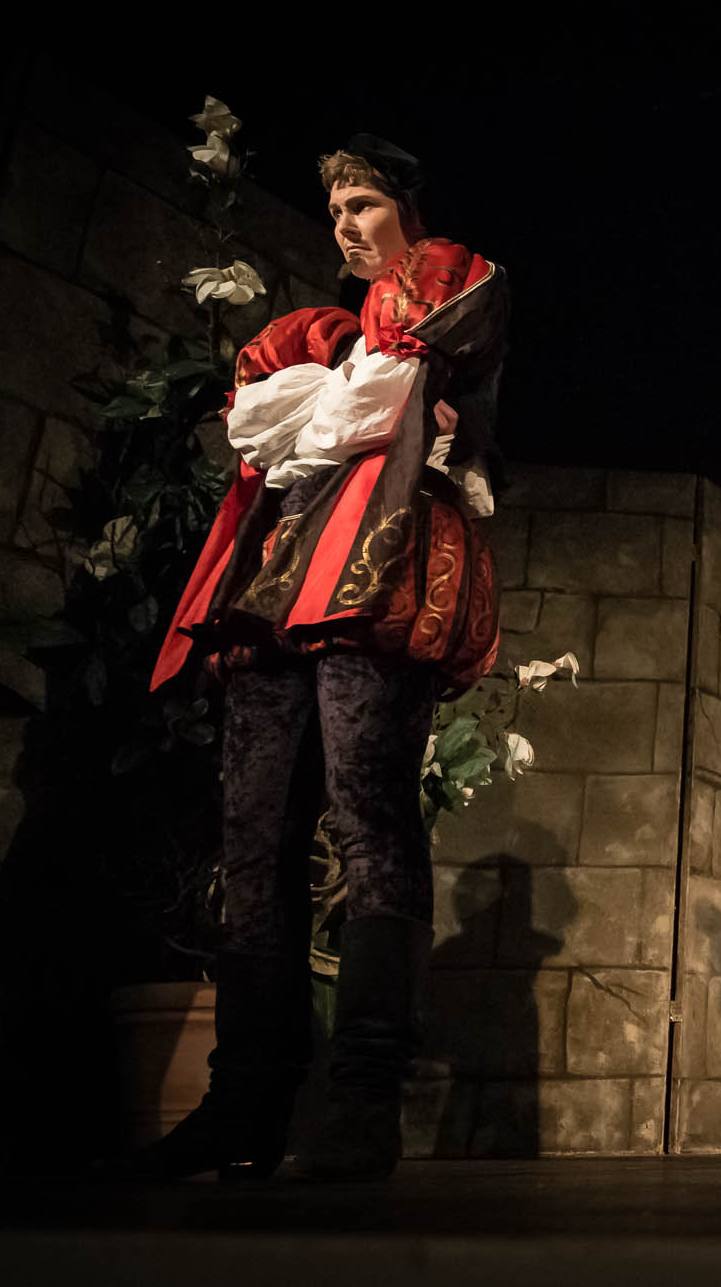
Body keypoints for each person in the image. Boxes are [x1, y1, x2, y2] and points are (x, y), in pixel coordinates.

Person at [110, 136, 509, 1182]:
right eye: (335, 208)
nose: (345, 222)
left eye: (366, 202)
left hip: (379, 576)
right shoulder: (321, 338)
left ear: (407, 212)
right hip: (279, 582)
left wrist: (364, 379)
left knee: (369, 813)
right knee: (253, 836)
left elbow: (413, 347)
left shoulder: (442, 290)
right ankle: (246, 1099)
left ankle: (363, 1099)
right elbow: (268, 430)